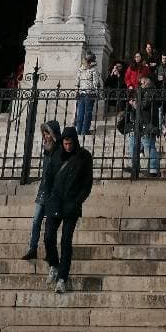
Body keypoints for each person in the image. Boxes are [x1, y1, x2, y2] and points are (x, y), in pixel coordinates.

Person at [44, 126, 93, 294]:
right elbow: (48, 177)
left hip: (71, 204)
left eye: (70, 143)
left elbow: (87, 183)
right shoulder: (56, 154)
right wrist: (49, 198)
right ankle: (53, 265)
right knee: (49, 236)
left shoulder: (84, 157)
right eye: (65, 143)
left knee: (66, 241)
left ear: (75, 142)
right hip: (55, 202)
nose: (68, 147)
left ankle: (63, 277)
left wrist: (78, 200)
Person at [23, 121, 62, 260]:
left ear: (53, 134)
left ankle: (49, 251)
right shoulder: (46, 148)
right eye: (44, 134)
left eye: (48, 134)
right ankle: (32, 248)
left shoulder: (60, 150)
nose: (46, 137)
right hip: (43, 190)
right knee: (36, 220)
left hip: (54, 192)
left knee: (50, 225)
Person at [74, 52, 100, 136]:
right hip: (90, 93)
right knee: (88, 113)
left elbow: (77, 81)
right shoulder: (93, 70)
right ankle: (85, 131)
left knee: (80, 112)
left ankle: (78, 130)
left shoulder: (80, 69)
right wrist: (97, 92)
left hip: (81, 92)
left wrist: (76, 91)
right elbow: (96, 83)